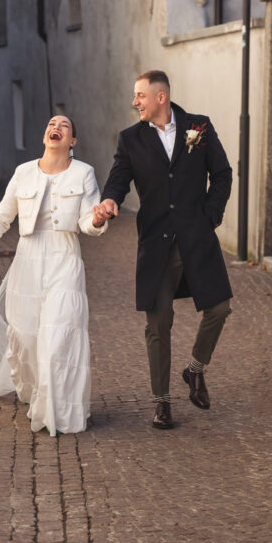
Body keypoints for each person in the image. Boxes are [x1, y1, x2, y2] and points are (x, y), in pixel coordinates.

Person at [0, 115, 109, 436]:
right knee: (27, 340)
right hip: (27, 261)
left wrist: (97, 220)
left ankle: (57, 412)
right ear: (45, 136)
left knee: (59, 335)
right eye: (51, 124)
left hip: (65, 259)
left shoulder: (84, 173)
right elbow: (2, 218)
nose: (56, 127)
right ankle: (34, 390)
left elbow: (88, 221)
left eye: (64, 125)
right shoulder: (23, 172)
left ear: (72, 141)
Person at [95, 70, 233, 430]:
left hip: (197, 238)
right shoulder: (131, 139)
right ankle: (162, 402)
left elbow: (222, 174)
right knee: (158, 324)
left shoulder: (199, 127)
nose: (134, 102)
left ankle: (195, 369)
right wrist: (109, 200)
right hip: (156, 243)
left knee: (220, 308)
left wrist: (210, 217)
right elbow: (118, 179)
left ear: (161, 97)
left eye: (140, 95)